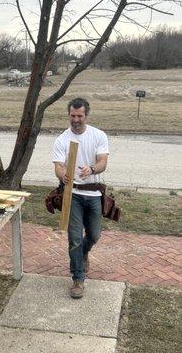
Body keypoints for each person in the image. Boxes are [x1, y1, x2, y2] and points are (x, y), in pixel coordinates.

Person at [52, 97, 109, 299]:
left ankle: (84, 253)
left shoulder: (98, 135)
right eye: (73, 115)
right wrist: (62, 174)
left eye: (80, 116)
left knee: (94, 235)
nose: (76, 119)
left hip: (93, 193)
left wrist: (91, 168)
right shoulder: (62, 139)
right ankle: (78, 278)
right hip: (73, 194)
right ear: (69, 114)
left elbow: (103, 162)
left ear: (86, 115)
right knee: (74, 239)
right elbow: (58, 166)